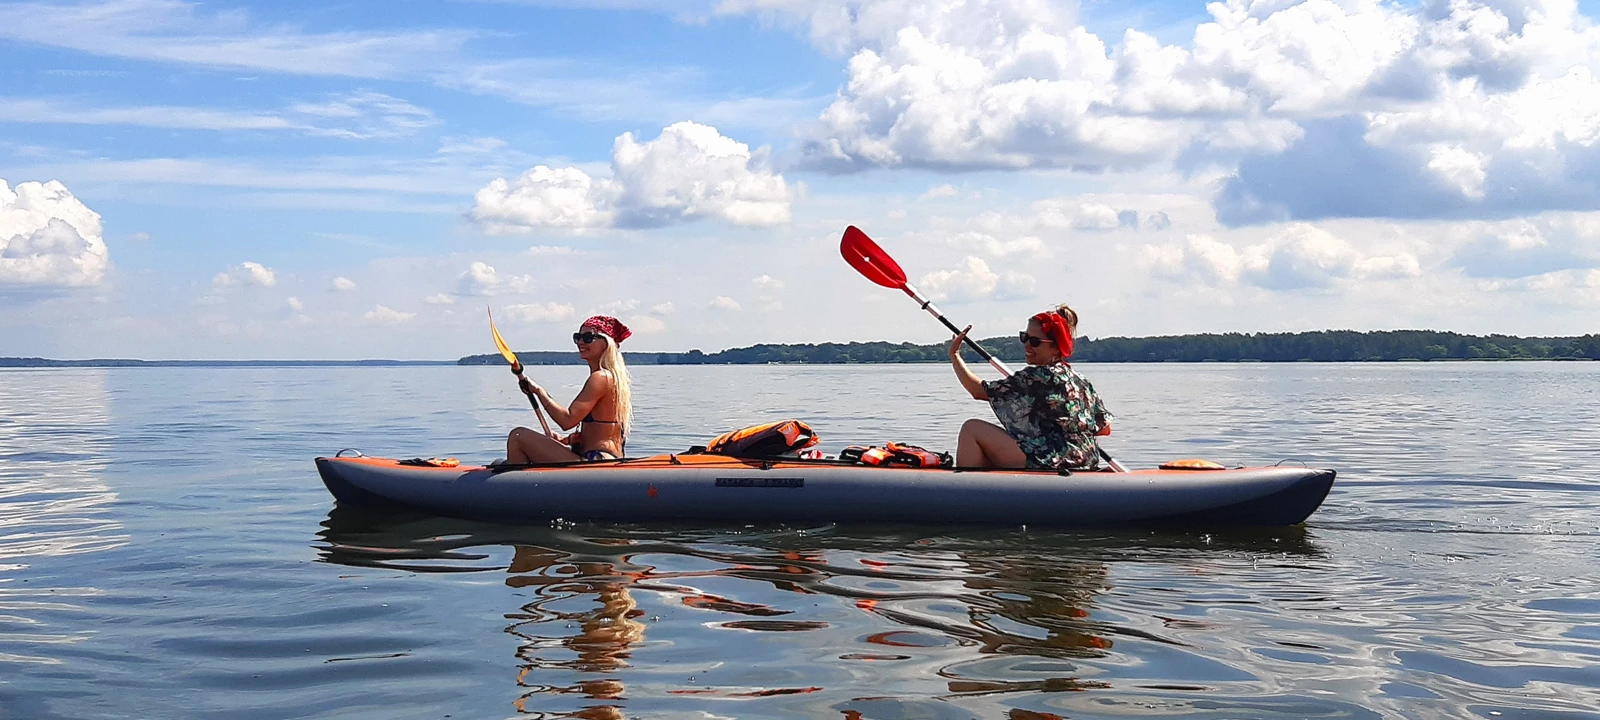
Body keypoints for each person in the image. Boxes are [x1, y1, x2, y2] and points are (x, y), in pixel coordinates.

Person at [948, 303, 1110, 471]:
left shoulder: (1034, 378)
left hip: (1050, 461)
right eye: (1024, 337)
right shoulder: (1080, 380)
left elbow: (977, 390)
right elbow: (1105, 429)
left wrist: (955, 356)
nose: (1027, 345)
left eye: (1035, 342)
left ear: (1055, 346)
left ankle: (968, 491)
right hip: (1087, 461)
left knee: (971, 428)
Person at [505, 315, 633, 463]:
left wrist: (539, 391)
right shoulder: (613, 378)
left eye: (587, 337)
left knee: (518, 437)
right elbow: (601, 430)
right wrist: (566, 440)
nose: (580, 342)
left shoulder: (601, 377)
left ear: (606, 344)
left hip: (595, 462)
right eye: (577, 337)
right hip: (603, 459)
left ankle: (515, 484)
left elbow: (567, 421)